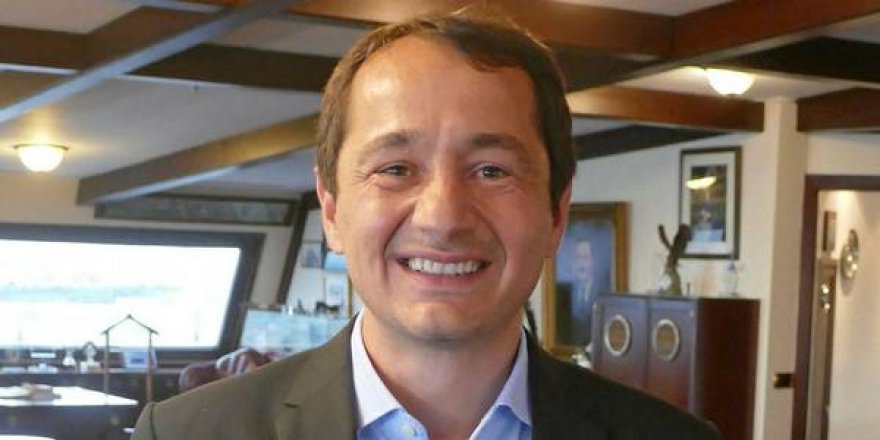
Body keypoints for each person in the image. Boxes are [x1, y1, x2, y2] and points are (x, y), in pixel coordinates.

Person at [131, 9, 719, 440]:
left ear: (556, 212)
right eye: (395, 169)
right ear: (332, 209)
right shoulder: (185, 434)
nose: (443, 217)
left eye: (492, 170)